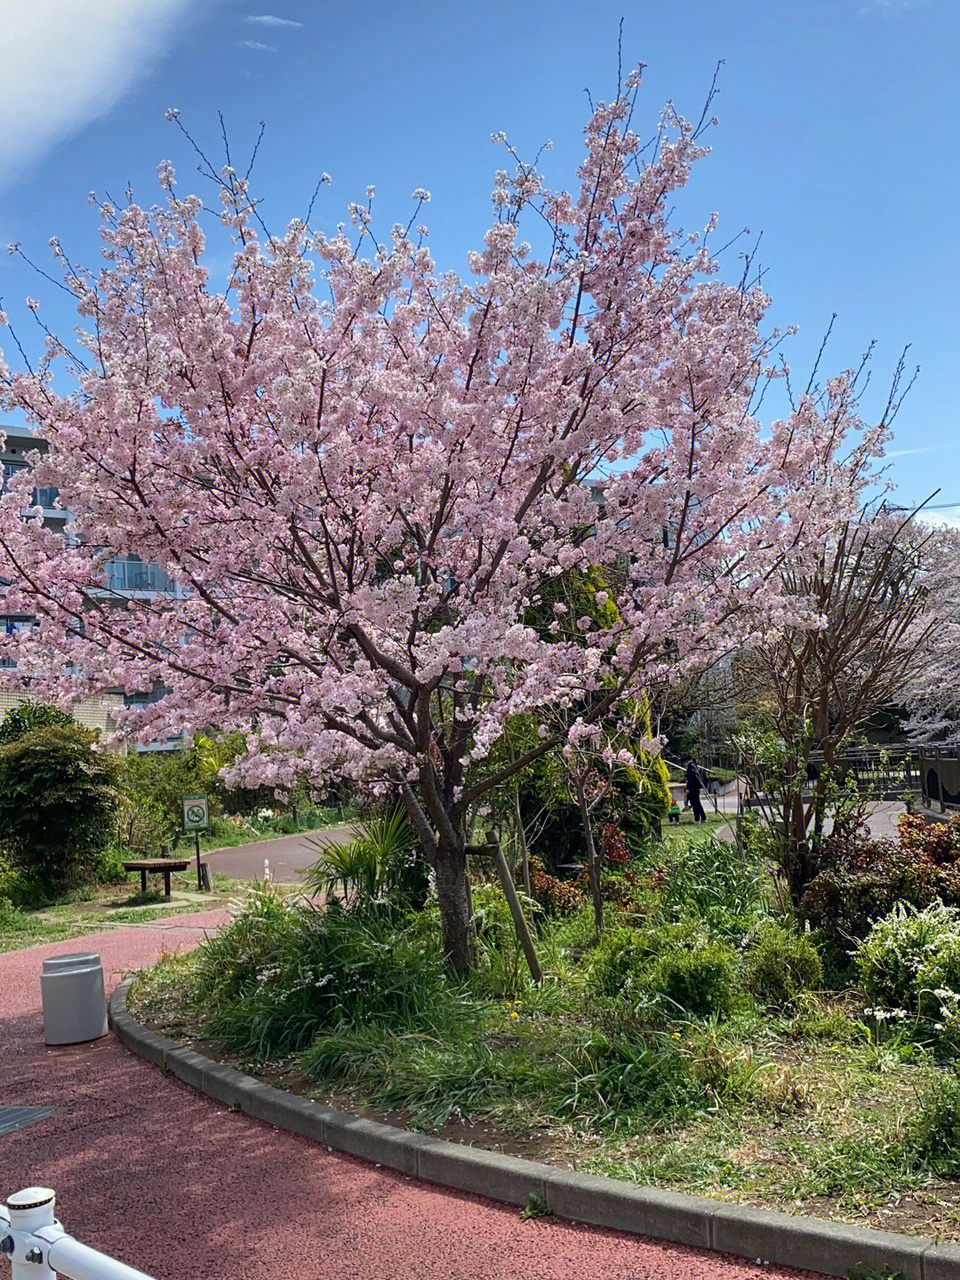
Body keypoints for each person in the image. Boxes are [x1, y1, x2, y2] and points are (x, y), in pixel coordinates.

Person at [684, 758, 708, 824]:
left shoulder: (690, 767)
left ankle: (702, 817)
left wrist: (688, 788)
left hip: (693, 788)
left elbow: (690, 778)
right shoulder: (694, 766)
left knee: (696, 803)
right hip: (695, 787)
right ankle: (697, 818)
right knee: (695, 803)